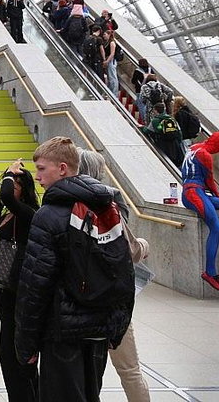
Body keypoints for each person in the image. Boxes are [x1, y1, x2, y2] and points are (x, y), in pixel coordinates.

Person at [15, 137, 134, 402]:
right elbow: (124, 271)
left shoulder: (49, 215)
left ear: (62, 168)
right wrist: (117, 327)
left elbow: (35, 285)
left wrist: (25, 345)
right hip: (98, 330)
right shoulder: (107, 207)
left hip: (62, 333)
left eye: (41, 169)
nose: (37, 176)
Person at [77, 150, 151, 402]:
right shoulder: (109, 204)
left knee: (83, 374)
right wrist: (144, 245)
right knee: (129, 370)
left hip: (79, 302)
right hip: (112, 302)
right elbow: (131, 250)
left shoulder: (65, 204)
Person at [0, 160, 40, 402]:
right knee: (11, 351)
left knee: (12, 353)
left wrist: (11, 172)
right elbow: (5, 252)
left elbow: (5, 195)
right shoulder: (9, 215)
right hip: (4, 289)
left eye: (15, 185)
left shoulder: (28, 213)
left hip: (18, 291)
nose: (9, 188)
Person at [181, 132, 219, 291]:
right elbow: (210, 181)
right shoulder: (205, 155)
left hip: (192, 192)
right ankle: (210, 273)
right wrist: (218, 196)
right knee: (217, 228)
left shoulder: (194, 148)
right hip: (194, 193)